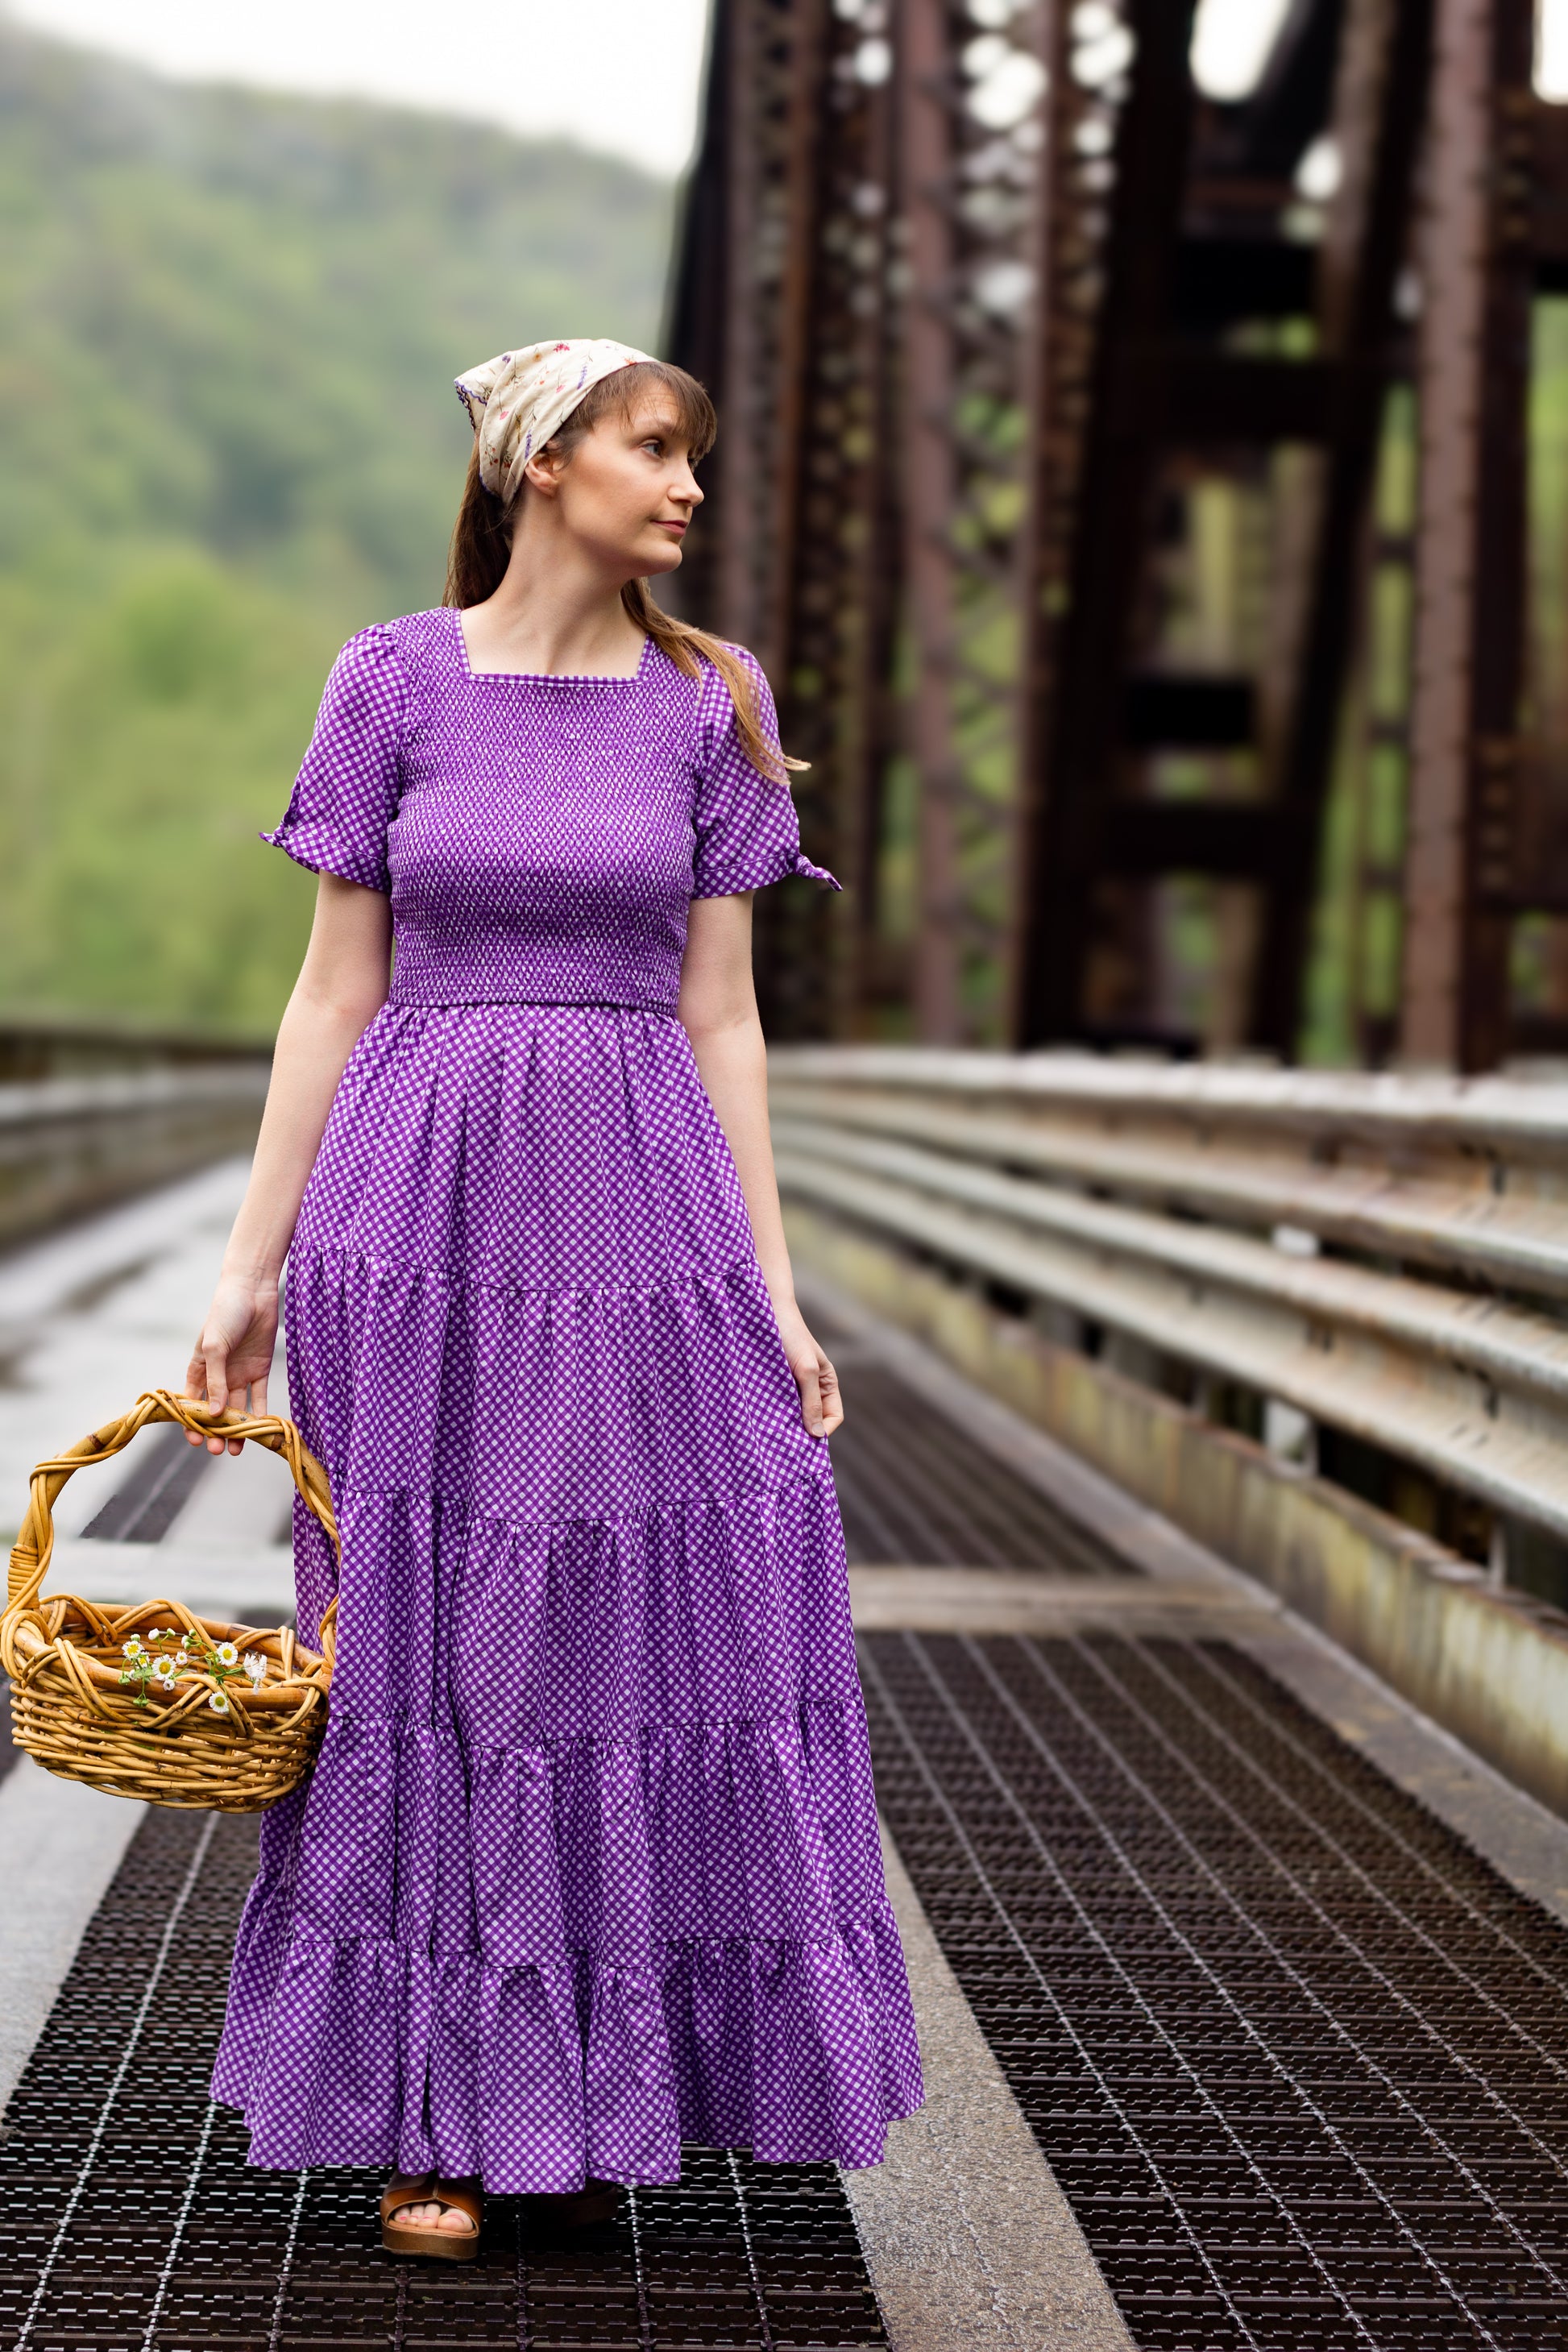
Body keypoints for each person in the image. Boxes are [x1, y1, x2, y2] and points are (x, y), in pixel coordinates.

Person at [183, 337, 923, 2257]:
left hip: (636, 1200)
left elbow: (722, 1013)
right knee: (429, 1640)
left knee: (614, 1629)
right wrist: (248, 1265)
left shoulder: (712, 698)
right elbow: (333, 990)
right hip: (411, 1208)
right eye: (650, 446)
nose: (686, 484)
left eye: (689, 450)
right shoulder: (390, 679)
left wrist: (772, 1284)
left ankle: (597, 2087)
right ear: (543, 463)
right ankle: (437, 2101)